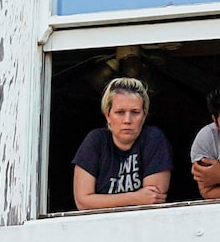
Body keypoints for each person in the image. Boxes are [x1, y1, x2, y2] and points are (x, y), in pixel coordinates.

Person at [71, 76, 171, 211]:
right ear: (108, 115)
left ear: (144, 115)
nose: (127, 120)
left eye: (135, 112)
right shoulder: (96, 140)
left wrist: (100, 201)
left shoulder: (153, 138)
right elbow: (83, 202)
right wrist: (135, 198)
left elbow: (152, 199)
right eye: (120, 112)